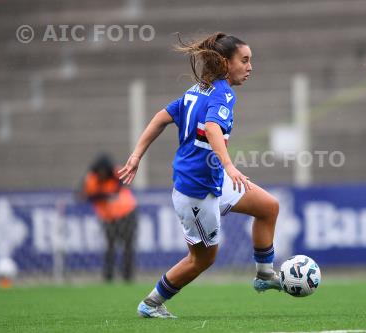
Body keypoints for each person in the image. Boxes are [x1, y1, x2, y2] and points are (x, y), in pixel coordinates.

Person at [118, 32, 281, 319]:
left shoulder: (197, 90)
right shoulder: (223, 93)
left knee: (268, 207)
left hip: (214, 181)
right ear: (225, 63)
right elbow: (212, 127)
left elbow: (160, 117)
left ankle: (265, 274)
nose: (250, 67)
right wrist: (229, 165)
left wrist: (136, 155)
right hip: (196, 191)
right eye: (244, 60)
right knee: (203, 259)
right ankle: (151, 303)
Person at [79, 153, 138, 282]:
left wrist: (104, 195)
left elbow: (121, 184)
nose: (102, 174)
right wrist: (104, 195)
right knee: (110, 246)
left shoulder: (116, 174)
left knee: (128, 245)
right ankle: (108, 275)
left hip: (127, 213)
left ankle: (127, 275)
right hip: (108, 218)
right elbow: (83, 196)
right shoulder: (91, 180)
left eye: (104, 171)